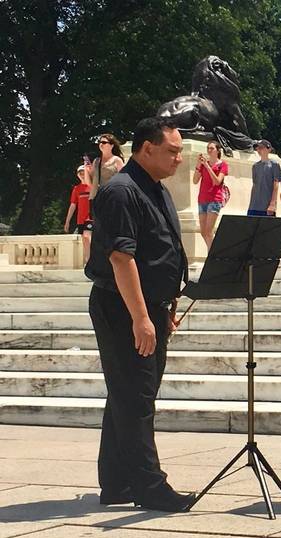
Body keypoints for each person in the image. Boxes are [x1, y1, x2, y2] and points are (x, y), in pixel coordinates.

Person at [84, 116, 195, 512]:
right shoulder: (120, 192)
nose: (179, 158)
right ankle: (149, 486)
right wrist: (141, 317)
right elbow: (121, 256)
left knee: (126, 394)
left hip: (151, 307)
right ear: (146, 148)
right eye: (173, 151)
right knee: (137, 397)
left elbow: (165, 253)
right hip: (123, 308)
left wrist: (166, 307)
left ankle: (116, 482)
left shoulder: (156, 189)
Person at [192, 141, 229, 250]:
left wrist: (208, 167)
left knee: (209, 231)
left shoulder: (223, 165)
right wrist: (199, 165)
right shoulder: (204, 165)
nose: (209, 150)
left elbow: (217, 181)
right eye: (208, 148)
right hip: (202, 199)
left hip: (214, 199)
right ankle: (213, 253)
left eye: (211, 148)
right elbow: (195, 180)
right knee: (203, 232)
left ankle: (213, 256)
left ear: (218, 150)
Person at [85, 133, 125, 216]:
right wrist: (86, 170)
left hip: (112, 199)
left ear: (111, 145)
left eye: (104, 142)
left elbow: (124, 181)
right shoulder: (96, 161)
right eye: (100, 142)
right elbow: (90, 184)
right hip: (96, 199)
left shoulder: (117, 160)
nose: (101, 144)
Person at [64, 166, 93, 263]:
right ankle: (88, 259)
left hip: (92, 217)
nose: (82, 175)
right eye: (80, 173)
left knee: (86, 236)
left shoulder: (93, 186)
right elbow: (73, 205)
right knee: (84, 239)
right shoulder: (77, 189)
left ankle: (90, 260)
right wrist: (67, 221)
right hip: (80, 218)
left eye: (83, 173)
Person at [247, 139, 281, 217]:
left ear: (268, 149)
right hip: (254, 205)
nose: (259, 150)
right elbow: (255, 185)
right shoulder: (255, 166)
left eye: (261, 148)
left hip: (266, 206)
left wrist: (273, 203)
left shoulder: (274, 164)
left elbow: (276, 185)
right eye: (258, 148)